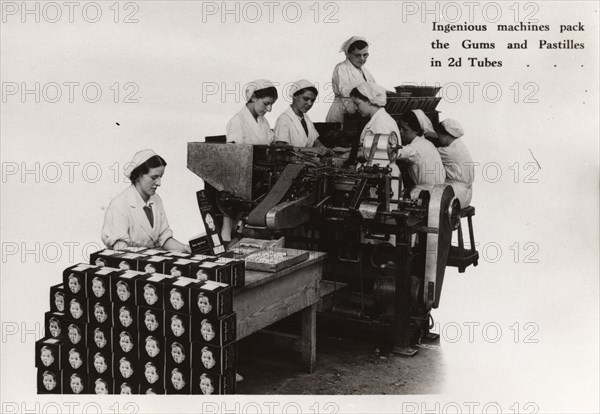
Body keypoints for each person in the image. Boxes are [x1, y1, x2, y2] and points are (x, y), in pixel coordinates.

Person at [101, 149, 191, 252]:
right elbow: (120, 248)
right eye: (154, 177)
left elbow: (164, 238)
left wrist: (185, 248)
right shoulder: (120, 204)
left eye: (160, 177)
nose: (159, 183)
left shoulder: (156, 200)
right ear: (139, 176)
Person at [326, 36, 376, 125]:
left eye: (365, 55)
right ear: (348, 54)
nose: (362, 59)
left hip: (358, 112)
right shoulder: (341, 68)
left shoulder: (364, 70)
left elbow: (374, 88)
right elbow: (345, 92)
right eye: (358, 55)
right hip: (343, 112)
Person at [397, 110, 446, 196]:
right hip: (439, 192)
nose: (400, 132)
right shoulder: (427, 143)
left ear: (416, 130)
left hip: (426, 194)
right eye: (400, 128)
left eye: (405, 129)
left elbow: (400, 152)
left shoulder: (416, 147)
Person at [274, 80, 327, 154]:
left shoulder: (306, 118)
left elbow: (316, 141)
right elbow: (281, 147)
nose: (309, 103)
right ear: (295, 96)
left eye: (312, 100)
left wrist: (322, 148)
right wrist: (309, 149)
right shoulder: (284, 119)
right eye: (306, 99)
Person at [436, 118, 474, 208]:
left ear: (445, 135)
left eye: (438, 135)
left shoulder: (450, 151)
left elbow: (431, 152)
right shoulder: (459, 144)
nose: (437, 137)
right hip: (466, 194)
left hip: (456, 195)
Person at [226, 79, 277, 145]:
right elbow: (235, 152)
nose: (269, 109)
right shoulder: (237, 122)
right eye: (266, 103)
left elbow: (271, 143)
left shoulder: (263, 121)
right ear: (253, 97)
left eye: (271, 104)